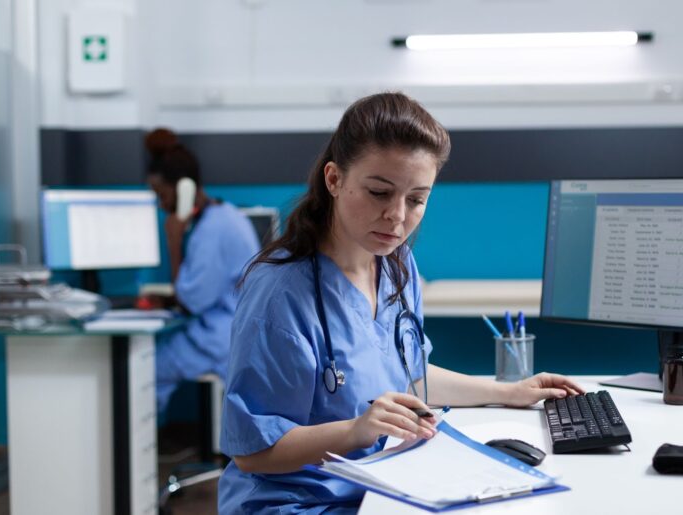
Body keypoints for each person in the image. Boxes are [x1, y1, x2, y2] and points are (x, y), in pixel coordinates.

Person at [219, 93, 584, 514]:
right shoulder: (281, 293)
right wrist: (356, 430)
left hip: (381, 486)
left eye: (416, 200)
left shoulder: (396, 265)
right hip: (300, 503)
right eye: (379, 192)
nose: (397, 217)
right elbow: (252, 452)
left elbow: (406, 375)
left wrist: (509, 392)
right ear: (334, 179)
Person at [144, 129, 262, 414]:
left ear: (184, 188)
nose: (162, 206)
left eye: (162, 195)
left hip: (221, 338)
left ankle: (139, 453)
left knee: (143, 370)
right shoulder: (227, 215)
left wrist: (173, 242)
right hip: (232, 329)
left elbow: (191, 301)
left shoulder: (210, 231)